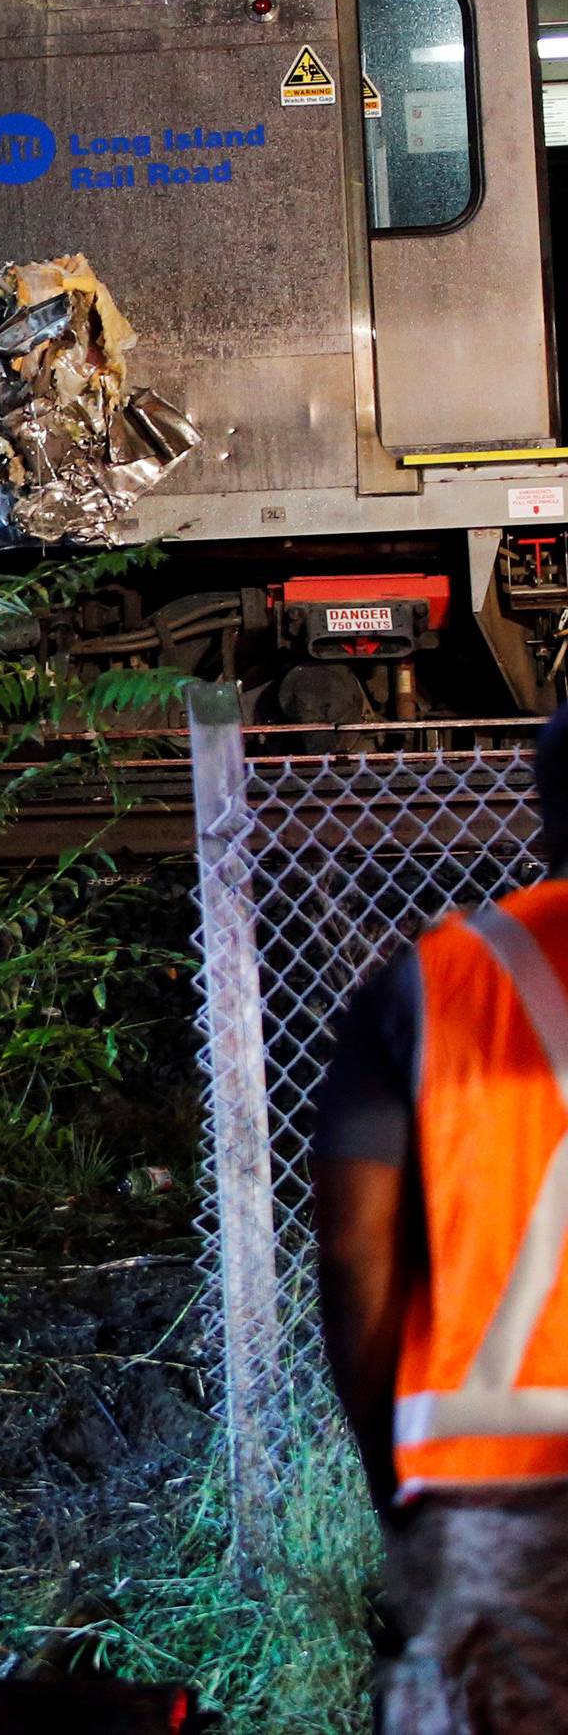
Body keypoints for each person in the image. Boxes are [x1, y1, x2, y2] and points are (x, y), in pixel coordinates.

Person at [315, 701, 568, 1733]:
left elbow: (355, 1251)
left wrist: (398, 1485)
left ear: (547, 818)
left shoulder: (437, 981)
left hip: (493, 1493)